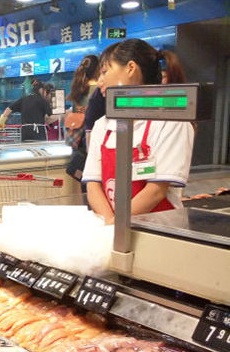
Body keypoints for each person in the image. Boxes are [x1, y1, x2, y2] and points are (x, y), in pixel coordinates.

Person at [83, 38, 194, 224]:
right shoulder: (102, 125)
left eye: (104, 72)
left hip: (158, 230)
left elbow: (156, 191)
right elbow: (93, 184)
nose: (100, 81)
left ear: (130, 68)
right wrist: (111, 225)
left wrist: (115, 225)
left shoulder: (171, 122)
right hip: (112, 227)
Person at [64, 55, 99, 184]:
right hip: (92, 142)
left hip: (77, 141)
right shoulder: (99, 90)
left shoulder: (78, 90)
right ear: (99, 69)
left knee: (85, 185)